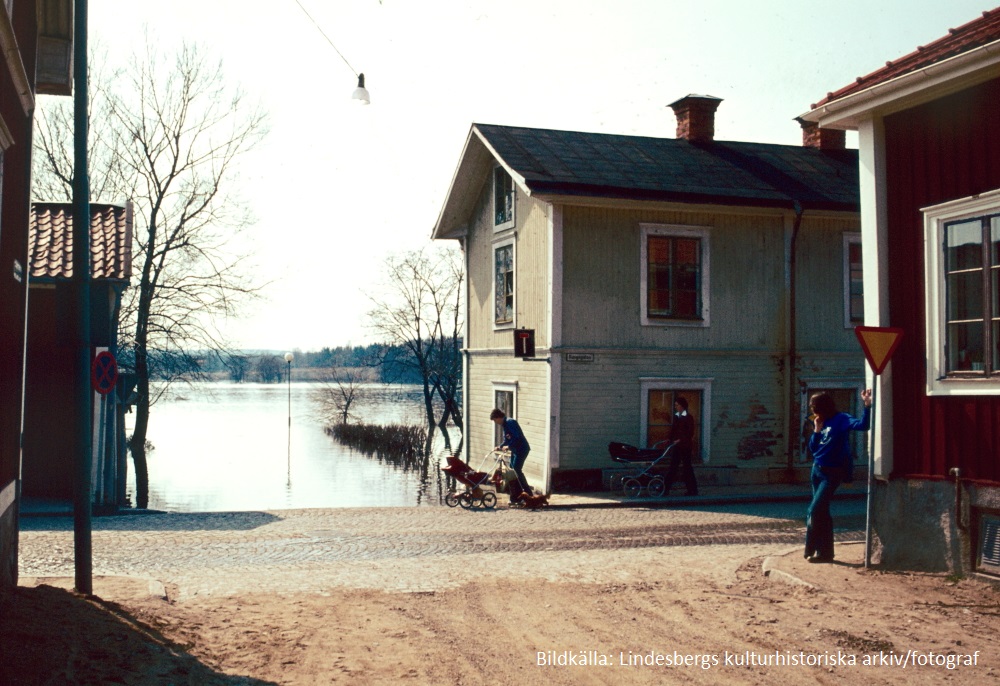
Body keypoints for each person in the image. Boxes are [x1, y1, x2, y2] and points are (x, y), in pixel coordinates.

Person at [805, 388, 872, 563]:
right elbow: (813, 448)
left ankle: (811, 549)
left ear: (822, 405)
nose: (811, 409)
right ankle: (825, 553)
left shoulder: (841, 419)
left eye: (813, 405)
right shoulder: (819, 420)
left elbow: (863, 426)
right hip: (817, 471)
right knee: (822, 512)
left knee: (814, 510)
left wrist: (867, 405)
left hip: (832, 473)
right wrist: (817, 430)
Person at [491, 409, 533, 497]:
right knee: (511, 471)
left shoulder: (510, 422)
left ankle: (528, 494)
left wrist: (509, 447)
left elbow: (517, 437)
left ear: (498, 417)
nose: (495, 422)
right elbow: (507, 439)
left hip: (522, 449)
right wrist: (501, 446)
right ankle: (517, 494)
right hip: (515, 450)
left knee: (516, 470)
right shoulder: (505, 425)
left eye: (495, 420)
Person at [662, 397, 698, 497]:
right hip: (677, 446)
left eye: (677, 405)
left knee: (687, 468)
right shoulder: (677, 416)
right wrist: (669, 438)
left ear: (682, 406)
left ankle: (692, 490)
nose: (675, 406)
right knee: (673, 467)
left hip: (685, 446)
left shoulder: (688, 417)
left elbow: (690, 433)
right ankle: (665, 489)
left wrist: (680, 440)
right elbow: (674, 429)